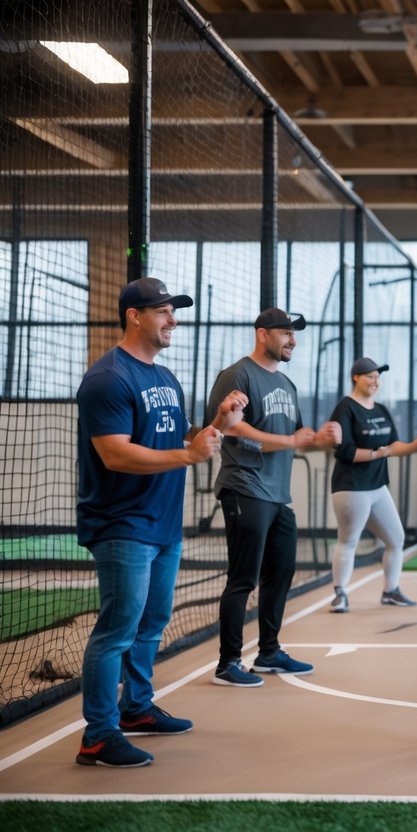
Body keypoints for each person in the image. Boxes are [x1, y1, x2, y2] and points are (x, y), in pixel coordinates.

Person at [75, 278, 247, 767]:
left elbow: (186, 438)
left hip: (163, 523)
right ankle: (98, 736)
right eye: (163, 312)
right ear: (134, 315)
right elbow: (113, 454)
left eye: (173, 312)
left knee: (152, 623)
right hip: (122, 523)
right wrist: (190, 452)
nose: (173, 320)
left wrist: (220, 422)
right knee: (117, 629)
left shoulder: (165, 378)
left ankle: (135, 708)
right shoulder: (108, 378)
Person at [206, 308, 341, 688]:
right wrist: (291, 440)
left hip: (277, 494)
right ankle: (228, 663)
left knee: (280, 572)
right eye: (285, 333)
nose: (292, 340)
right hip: (244, 486)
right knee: (242, 578)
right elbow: (229, 429)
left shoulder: (287, 385)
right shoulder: (237, 375)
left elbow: (299, 440)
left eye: (294, 335)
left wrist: (323, 441)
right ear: (262, 334)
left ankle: (268, 652)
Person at [327, 356, 417, 613]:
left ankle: (390, 591)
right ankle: (340, 593)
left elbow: (393, 445)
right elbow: (344, 451)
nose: (375, 381)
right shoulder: (345, 408)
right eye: (369, 376)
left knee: (396, 539)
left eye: (378, 377)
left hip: (377, 486)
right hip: (351, 486)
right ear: (356, 378)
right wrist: (377, 454)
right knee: (348, 540)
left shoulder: (381, 410)